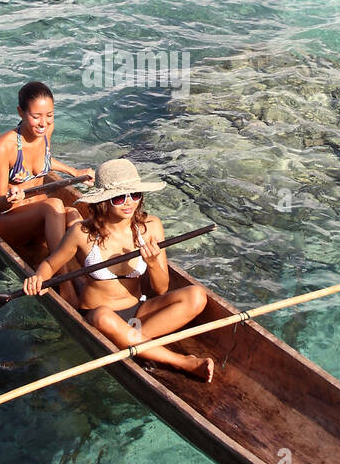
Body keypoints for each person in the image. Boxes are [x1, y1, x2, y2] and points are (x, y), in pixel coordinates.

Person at [23, 158, 213, 382]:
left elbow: (161, 289)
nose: (129, 203)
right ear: (103, 201)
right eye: (119, 197)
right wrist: (38, 279)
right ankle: (182, 362)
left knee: (196, 296)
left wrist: (152, 264)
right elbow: (50, 265)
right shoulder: (82, 233)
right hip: (99, 316)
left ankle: (134, 343)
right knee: (104, 317)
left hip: (138, 313)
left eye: (135, 195)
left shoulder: (151, 227)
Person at [0, 82, 93, 279]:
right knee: (53, 205)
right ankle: (66, 284)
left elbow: (43, 160)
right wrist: (9, 198)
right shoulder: (5, 147)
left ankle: (92, 275)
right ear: (20, 112)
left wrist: (72, 171)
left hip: (42, 219)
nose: (43, 123)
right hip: (9, 223)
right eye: (36, 117)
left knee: (72, 214)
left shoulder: (46, 131)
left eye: (49, 115)